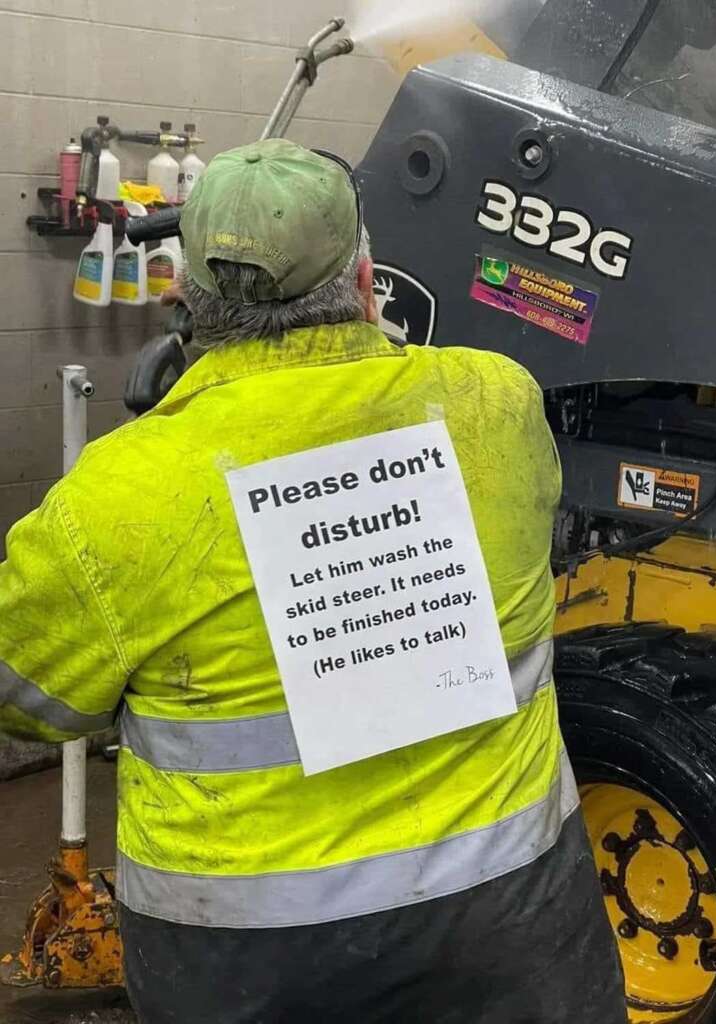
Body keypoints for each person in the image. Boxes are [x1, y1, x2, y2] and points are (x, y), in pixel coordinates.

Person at [0, 140, 625, 1023]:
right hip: (511, 921)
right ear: (368, 280)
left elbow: (29, 698)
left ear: (186, 298)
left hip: (249, 956)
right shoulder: (497, 405)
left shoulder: (118, 494)